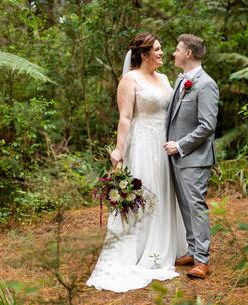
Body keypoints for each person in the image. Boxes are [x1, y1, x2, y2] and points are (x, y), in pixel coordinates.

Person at [86, 32, 187, 293]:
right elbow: (126, 118)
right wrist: (119, 151)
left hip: (164, 144)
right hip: (142, 144)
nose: (162, 53)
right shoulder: (129, 80)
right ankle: (141, 248)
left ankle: (166, 246)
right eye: (157, 49)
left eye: (162, 48)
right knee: (146, 192)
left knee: (165, 192)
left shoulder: (165, 79)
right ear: (143, 54)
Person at [164, 34, 219, 279]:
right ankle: (193, 250)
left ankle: (202, 260)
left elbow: (207, 125)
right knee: (185, 205)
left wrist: (181, 145)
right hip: (177, 156)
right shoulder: (182, 81)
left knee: (196, 205)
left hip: (194, 157)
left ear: (188, 54)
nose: (173, 53)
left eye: (177, 50)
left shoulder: (206, 84)